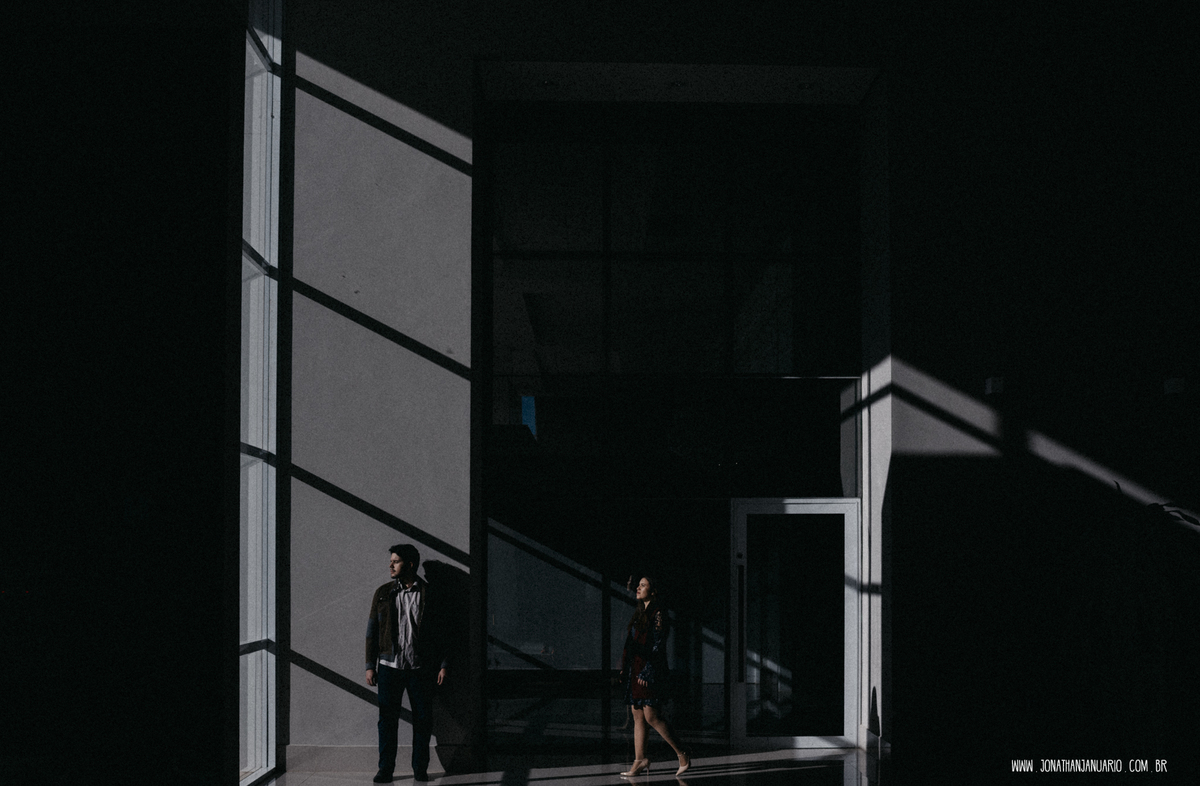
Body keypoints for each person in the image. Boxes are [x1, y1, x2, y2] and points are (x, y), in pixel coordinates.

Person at [365, 544, 448, 783]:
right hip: (389, 668)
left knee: (423, 720)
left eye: (396, 561)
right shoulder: (383, 593)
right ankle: (385, 770)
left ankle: (420, 769)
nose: (390, 565)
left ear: (410, 565)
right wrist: (370, 665)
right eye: (391, 561)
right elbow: (372, 631)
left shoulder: (429, 594)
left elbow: (442, 633)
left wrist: (443, 663)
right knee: (387, 721)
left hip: (420, 668)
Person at [616, 576, 690, 777]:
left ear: (653, 590)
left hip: (649, 670)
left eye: (643, 585)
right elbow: (630, 643)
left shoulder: (658, 613)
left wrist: (648, 670)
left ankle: (682, 754)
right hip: (635, 669)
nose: (638, 588)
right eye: (638, 585)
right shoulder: (640, 612)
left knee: (651, 716)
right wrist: (625, 666)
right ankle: (640, 761)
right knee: (637, 714)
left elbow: (659, 644)